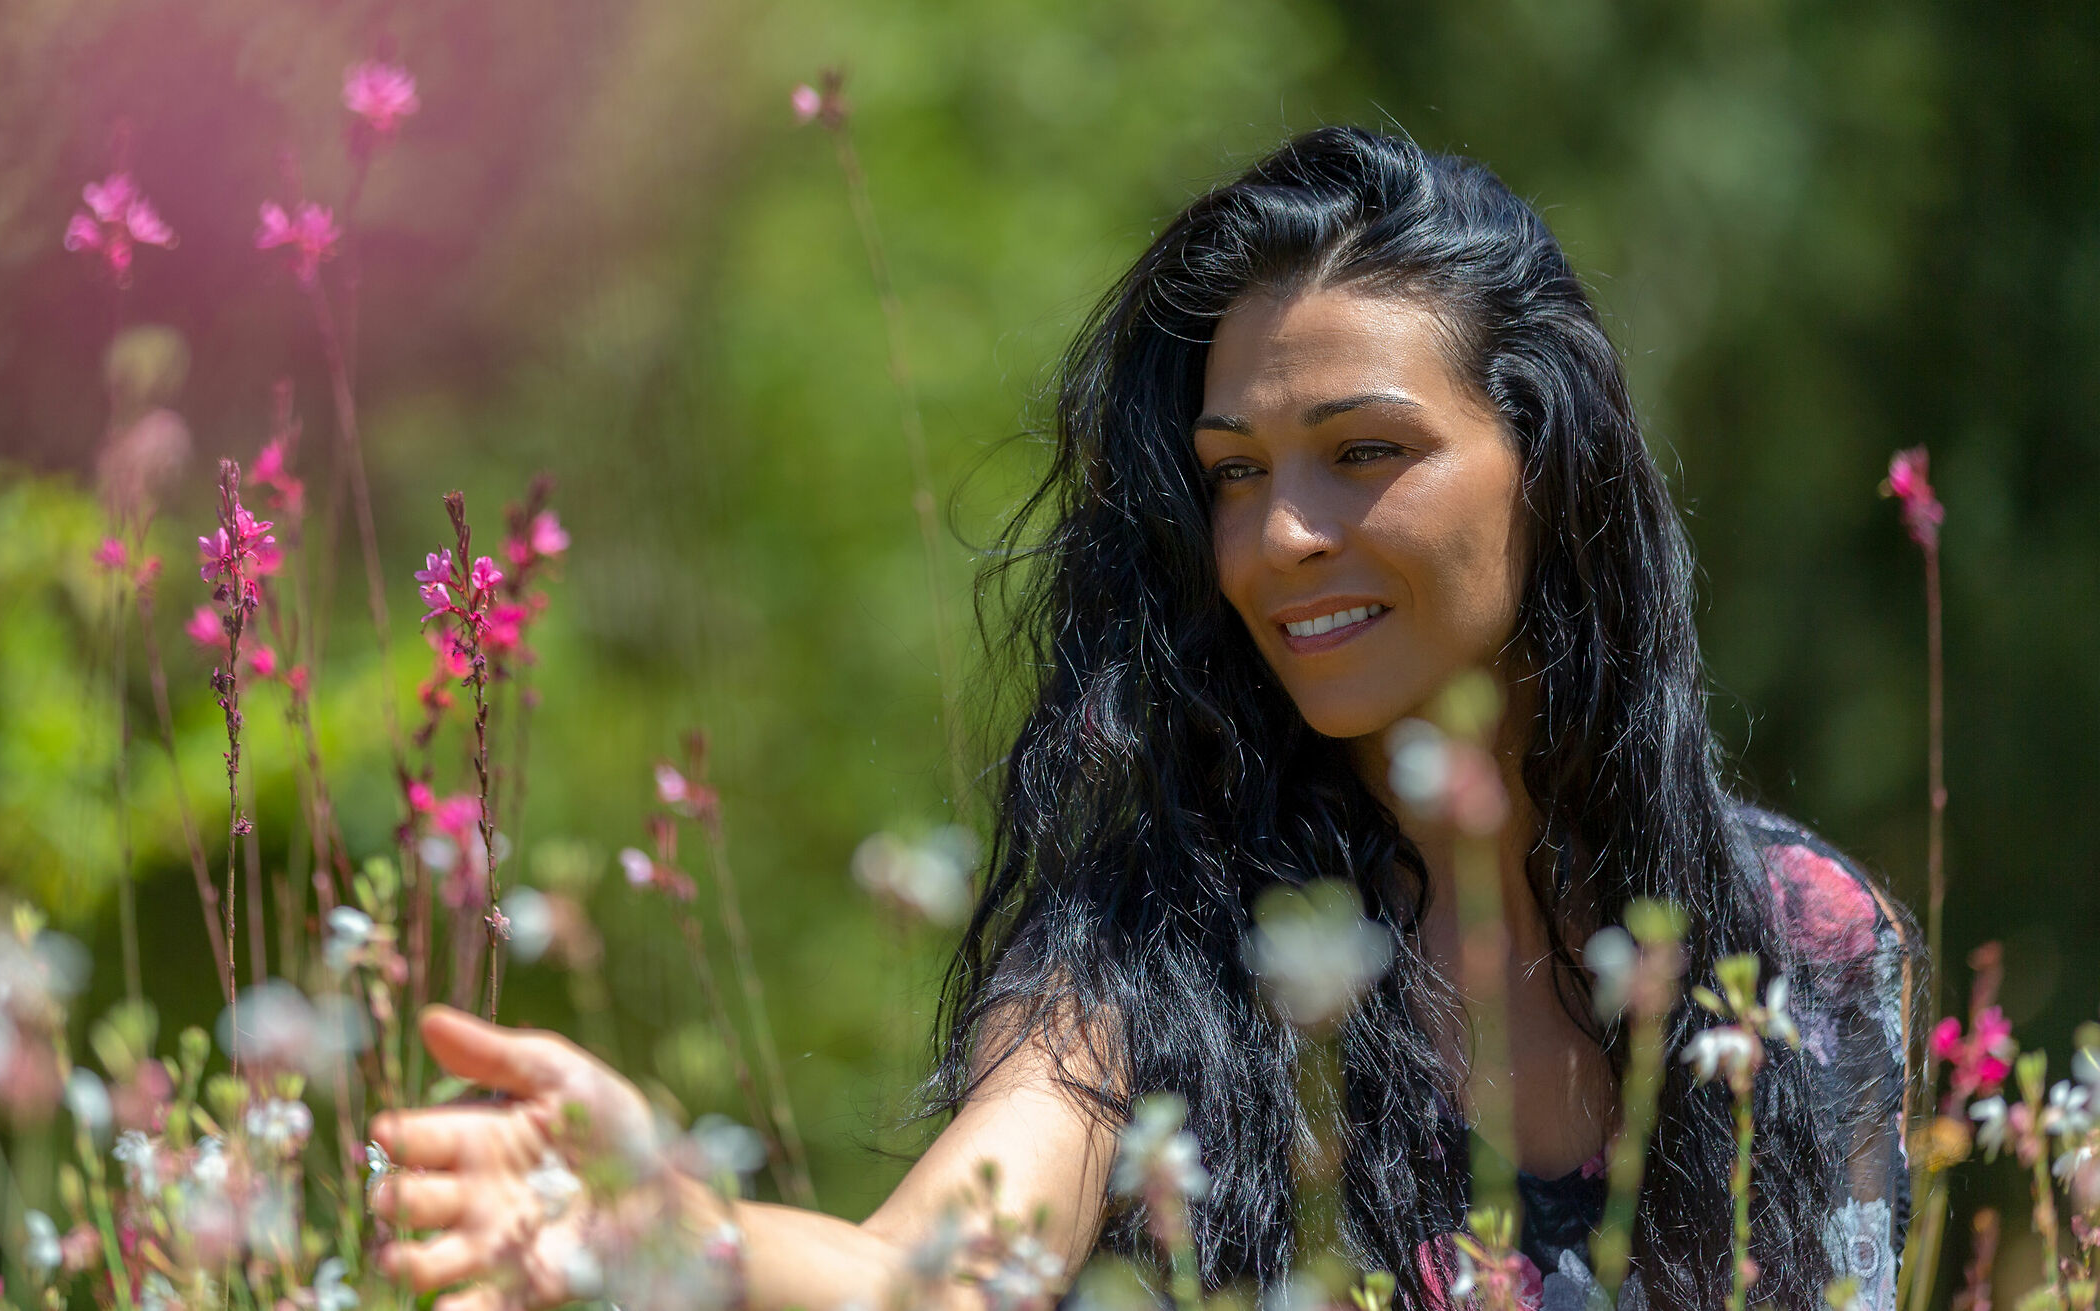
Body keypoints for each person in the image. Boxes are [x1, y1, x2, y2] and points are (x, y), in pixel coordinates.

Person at [364, 125, 1920, 1310]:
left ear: (1551, 463)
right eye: (1236, 472)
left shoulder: (1806, 940)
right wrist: (672, 1225)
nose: (1280, 539)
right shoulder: (1152, 956)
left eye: (1363, 452)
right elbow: (930, 1274)